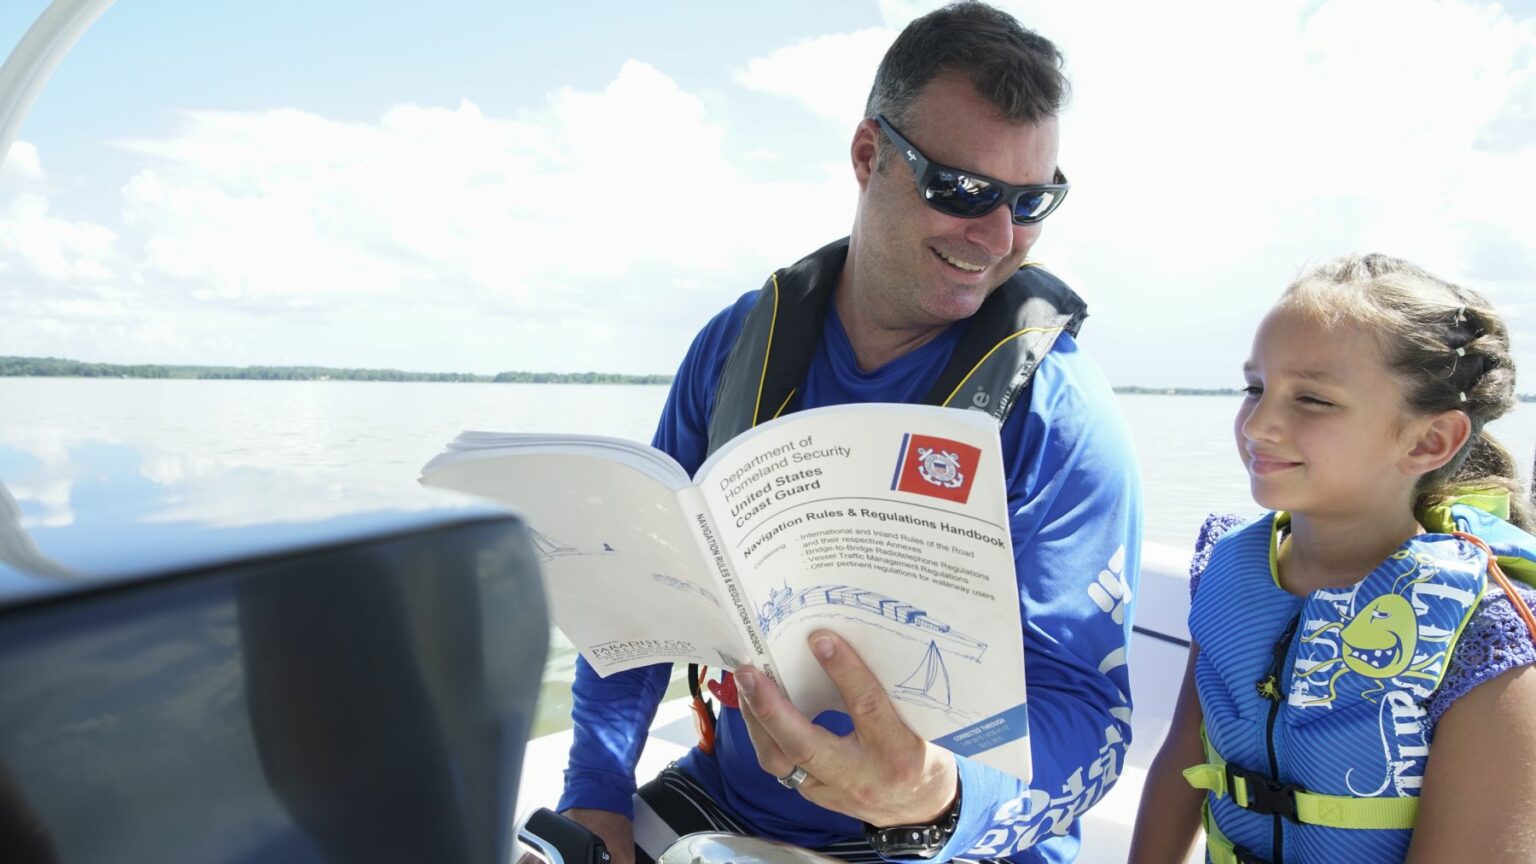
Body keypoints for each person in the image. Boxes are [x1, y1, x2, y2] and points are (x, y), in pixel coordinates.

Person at [557, 4, 1142, 863]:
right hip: (726, 799)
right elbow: (640, 607)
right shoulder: (731, 351)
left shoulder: (1060, 415)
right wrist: (596, 796)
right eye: (964, 190)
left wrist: (937, 799)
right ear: (869, 156)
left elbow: (1089, 716)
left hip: (949, 838)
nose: (997, 236)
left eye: (1031, 201)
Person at [1128, 254, 1536, 863]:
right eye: (1255, 388)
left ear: (1430, 440)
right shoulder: (1228, 571)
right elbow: (1182, 761)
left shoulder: (1487, 629)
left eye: (1312, 399)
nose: (1259, 423)